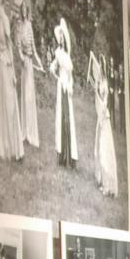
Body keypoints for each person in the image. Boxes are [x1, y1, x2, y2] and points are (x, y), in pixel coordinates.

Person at [0, 0, 24, 161]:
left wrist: (13, 72)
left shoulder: (2, 16)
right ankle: (2, 141)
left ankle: (12, 146)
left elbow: (9, 43)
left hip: (5, 61)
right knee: (1, 99)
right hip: (0, 60)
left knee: (9, 100)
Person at [90, 52, 119, 196]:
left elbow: (105, 100)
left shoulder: (106, 83)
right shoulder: (100, 81)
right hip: (100, 116)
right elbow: (97, 95)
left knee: (104, 148)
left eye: (102, 66)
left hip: (104, 116)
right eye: (100, 66)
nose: (101, 69)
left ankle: (108, 185)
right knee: (99, 147)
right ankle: (102, 180)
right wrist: (95, 88)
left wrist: (102, 113)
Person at [15, 0, 41, 149]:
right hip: (24, 63)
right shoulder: (19, 25)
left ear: (28, 10)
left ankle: (31, 133)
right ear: (21, 10)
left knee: (30, 97)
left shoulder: (30, 25)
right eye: (22, 8)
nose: (24, 11)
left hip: (30, 63)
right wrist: (21, 58)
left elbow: (34, 48)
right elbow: (18, 45)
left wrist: (39, 62)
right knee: (25, 96)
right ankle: (24, 132)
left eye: (26, 8)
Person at [51, 18, 78, 169]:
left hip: (67, 88)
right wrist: (54, 71)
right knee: (61, 119)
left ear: (65, 38)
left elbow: (70, 74)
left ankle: (70, 157)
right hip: (60, 86)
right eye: (59, 36)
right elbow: (54, 67)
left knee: (68, 120)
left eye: (62, 36)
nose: (60, 38)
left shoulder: (67, 55)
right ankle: (62, 156)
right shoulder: (58, 52)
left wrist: (71, 85)